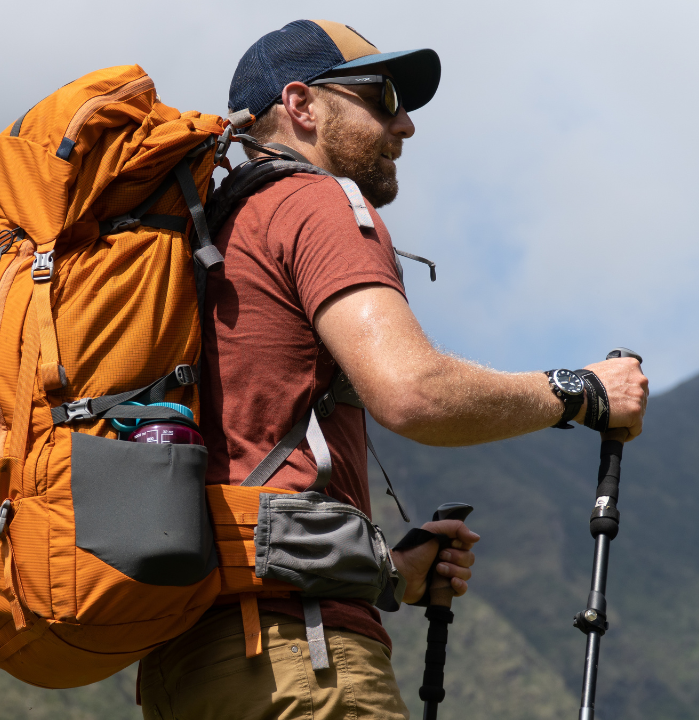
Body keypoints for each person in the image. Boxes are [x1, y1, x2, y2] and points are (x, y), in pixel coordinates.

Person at [137, 19, 649, 719]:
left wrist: (392, 572)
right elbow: (414, 394)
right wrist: (580, 392)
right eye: (380, 96)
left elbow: (251, 457)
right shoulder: (315, 203)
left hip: (188, 668)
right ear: (303, 106)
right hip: (300, 661)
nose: (404, 124)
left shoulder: (209, 240)